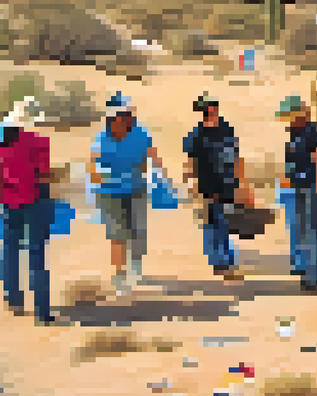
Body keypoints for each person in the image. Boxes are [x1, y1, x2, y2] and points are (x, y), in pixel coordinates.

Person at [90, 92, 169, 297]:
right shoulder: (102, 137)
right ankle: (119, 277)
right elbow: (93, 164)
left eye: (129, 114)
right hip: (109, 193)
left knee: (138, 230)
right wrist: (98, 178)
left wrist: (163, 179)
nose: (128, 118)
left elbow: (152, 156)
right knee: (118, 236)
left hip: (136, 189)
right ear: (113, 117)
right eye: (124, 114)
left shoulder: (139, 133)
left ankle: (135, 263)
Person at [0, 97, 62, 324]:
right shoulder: (38, 141)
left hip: (7, 200)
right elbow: (42, 175)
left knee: (10, 250)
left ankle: (13, 299)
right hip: (34, 199)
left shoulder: (1, 138)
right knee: (37, 254)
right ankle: (42, 312)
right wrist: (59, 176)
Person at [182, 92, 255, 281]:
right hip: (206, 187)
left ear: (214, 109)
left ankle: (225, 262)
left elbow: (237, 158)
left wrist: (243, 185)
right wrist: (190, 183)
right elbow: (190, 161)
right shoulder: (196, 134)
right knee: (212, 225)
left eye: (207, 110)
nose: (206, 114)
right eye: (203, 111)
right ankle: (219, 262)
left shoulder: (226, 130)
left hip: (227, 185)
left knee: (225, 224)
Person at [276, 95, 317, 292]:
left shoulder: (312, 132)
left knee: (312, 232)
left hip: (311, 188)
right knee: (305, 230)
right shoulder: (294, 133)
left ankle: (314, 277)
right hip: (298, 188)